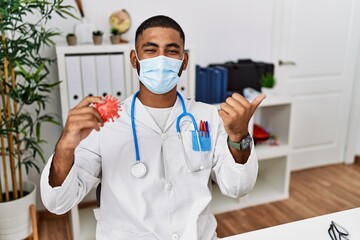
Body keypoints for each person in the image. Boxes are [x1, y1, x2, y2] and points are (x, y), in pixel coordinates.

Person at [40, 15, 265, 240]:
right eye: (150, 50)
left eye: (171, 51)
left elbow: (238, 188)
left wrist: (239, 136)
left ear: (184, 61)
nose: (161, 59)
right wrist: (65, 147)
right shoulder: (103, 123)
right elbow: (58, 203)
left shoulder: (207, 117)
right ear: (134, 59)